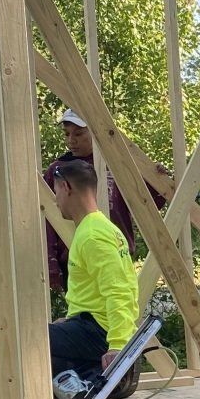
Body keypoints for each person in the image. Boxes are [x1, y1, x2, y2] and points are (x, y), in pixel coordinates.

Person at [46, 155, 139, 399]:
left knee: (28, 339)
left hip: (98, 332)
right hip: (94, 326)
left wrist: (118, 345)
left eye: (56, 192)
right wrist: (68, 322)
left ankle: (94, 381)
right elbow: (99, 291)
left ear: (66, 187)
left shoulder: (93, 236)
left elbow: (118, 290)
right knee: (49, 345)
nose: (56, 201)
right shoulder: (99, 228)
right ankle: (97, 375)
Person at [43, 108, 134, 291]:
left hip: (115, 251)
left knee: (117, 300)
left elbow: (147, 203)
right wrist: (51, 261)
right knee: (87, 311)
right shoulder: (59, 171)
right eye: (67, 134)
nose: (71, 140)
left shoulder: (116, 164)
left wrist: (157, 177)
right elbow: (47, 218)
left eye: (78, 133)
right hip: (75, 255)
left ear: (94, 131)